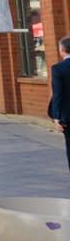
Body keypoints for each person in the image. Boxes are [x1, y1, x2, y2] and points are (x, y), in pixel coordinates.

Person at [47, 37, 70, 171]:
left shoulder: (58, 68)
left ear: (62, 50)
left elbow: (58, 94)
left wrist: (56, 117)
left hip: (67, 116)